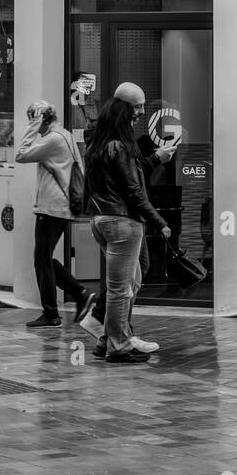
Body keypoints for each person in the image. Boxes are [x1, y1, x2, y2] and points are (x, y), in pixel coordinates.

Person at [84, 82, 176, 357]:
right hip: (122, 222)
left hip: (102, 219)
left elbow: (124, 178)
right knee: (121, 289)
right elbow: (133, 190)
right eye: (137, 107)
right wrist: (159, 221)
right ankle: (119, 345)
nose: (141, 112)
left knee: (130, 282)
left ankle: (109, 339)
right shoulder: (120, 146)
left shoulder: (99, 144)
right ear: (124, 110)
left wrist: (154, 160)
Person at [15, 99, 96, 329]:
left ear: (40, 119)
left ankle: (53, 312)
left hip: (52, 207)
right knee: (44, 258)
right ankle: (79, 294)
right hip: (61, 206)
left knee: (42, 260)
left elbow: (21, 155)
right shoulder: (66, 135)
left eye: (33, 120)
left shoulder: (52, 140)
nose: (32, 125)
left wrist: (33, 125)